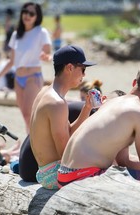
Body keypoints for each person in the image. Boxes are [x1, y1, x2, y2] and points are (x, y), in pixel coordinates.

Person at [58, 65, 140, 189]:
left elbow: (124, 160)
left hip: (63, 175)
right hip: (82, 177)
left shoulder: (110, 102)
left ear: (134, 83)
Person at [18, 89, 125, 182]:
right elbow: (111, 161)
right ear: (104, 99)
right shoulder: (95, 115)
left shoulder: (88, 108)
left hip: (28, 164)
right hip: (34, 170)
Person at [28, 45, 96, 189]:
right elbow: (65, 155)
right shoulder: (57, 103)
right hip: (55, 175)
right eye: (83, 69)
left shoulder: (46, 92)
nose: (84, 75)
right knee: (105, 167)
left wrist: (87, 108)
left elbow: (67, 133)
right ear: (70, 68)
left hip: (45, 172)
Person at [0, 2, 52, 133]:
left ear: (37, 17)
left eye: (31, 13)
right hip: (18, 79)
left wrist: (46, 57)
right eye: (25, 12)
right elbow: (12, 61)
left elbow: (48, 54)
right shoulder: (16, 34)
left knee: (29, 115)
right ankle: (30, 143)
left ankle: (34, 144)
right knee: (25, 116)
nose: (27, 15)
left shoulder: (41, 32)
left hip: (33, 77)